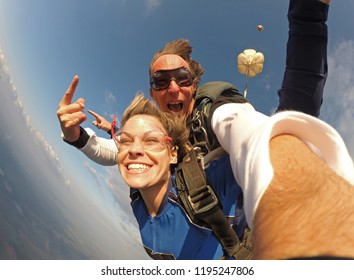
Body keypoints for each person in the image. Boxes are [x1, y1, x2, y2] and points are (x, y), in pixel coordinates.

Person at [57, 0, 335, 259]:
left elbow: (275, 135)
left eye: (181, 78)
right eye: (161, 81)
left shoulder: (217, 114)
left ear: (193, 86)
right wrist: (77, 136)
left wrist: (308, 14)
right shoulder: (155, 133)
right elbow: (118, 154)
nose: (173, 87)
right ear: (153, 93)